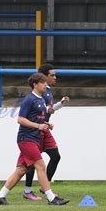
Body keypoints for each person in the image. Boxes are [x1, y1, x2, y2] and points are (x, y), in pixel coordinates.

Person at [0, 73, 69, 206]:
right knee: (41, 165)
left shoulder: (40, 99)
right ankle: (51, 198)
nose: (46, 85)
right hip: (26, 139)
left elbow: (39, 115)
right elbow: (20, 119)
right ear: (35, 84)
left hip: (33, 138)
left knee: (21, 170)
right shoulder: (29, 99)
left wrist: (46, 124)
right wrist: (39, 126)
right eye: (43, 82)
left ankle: (0, 196)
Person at [22, 64, 70, 201]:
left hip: (44, 129)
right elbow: (33, 113)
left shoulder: (47, 92)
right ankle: (28, 190)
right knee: (30, 162)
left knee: (55, 156)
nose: (55, 77)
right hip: (34, 130)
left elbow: (48, 110)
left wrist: (60, 103)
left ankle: (44, 186)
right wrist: (39, 124)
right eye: (52, 75)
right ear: (43, 77)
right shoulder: (38, 93)